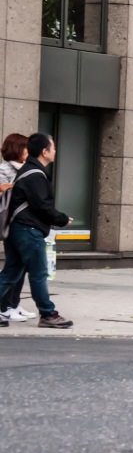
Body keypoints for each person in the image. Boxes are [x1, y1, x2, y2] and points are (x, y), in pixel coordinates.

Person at [0, 133, 73, 329]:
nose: (55, 151)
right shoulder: (35, 175)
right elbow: (42, 206)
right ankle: (48, 314)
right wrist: (62, 219)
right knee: (38, 274)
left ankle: (45, 313)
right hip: (28, 230)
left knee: (11, 273)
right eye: (53, 147)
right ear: (44, 151)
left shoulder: (28, 170)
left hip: (17, 229)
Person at [0, 133, 34, 323]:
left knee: (20, 266)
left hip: (22, 222)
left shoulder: (26, 169)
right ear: (17, 149)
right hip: (10, 222)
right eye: (26, 148)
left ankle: (13, 303)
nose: (28, 152)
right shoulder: (5, 169)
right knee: (13, 266)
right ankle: (5, 306)